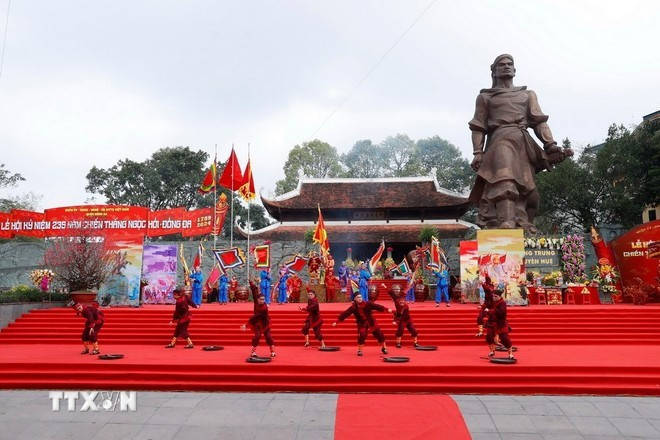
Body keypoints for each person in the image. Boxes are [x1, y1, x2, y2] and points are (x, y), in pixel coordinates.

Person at [468, 54, 572, 233]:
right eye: (501, 65)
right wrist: (478, 152)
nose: (506, 66)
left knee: (531, 193)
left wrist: (550, 145)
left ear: (515, 70)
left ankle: (524, 223)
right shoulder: (485, 97)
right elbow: (478, 126)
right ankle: (506, 223)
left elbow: (539, 122)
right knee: (505, 178)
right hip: (500, 140)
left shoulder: (527, 94)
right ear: (494, 71)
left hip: (524, 143)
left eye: (510, 64)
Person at [384, 284, 419, 349]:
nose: (397, 291)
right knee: (400, 330)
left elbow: (407, 289)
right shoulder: (395, 298)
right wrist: (385, 286)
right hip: (401, 318)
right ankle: (398, 343)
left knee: (413, 330)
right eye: (396, 291)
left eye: (398, 290)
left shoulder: (403, 295)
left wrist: (410, 285)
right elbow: (390, 292)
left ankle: (415, 343)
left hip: (407, 317)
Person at [484, 289, 515, 359]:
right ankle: (492, 350)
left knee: (504, 338)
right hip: (491, 322)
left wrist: (490, 311)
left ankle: (510, 354)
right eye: (493, 296)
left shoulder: (502, 303)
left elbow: (501, 313)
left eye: (496, 296)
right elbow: (486, 305)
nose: (494, 298)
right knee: (488, 337)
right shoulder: (492, 301)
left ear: (500, 296)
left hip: (500, 322)